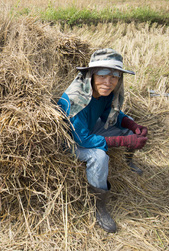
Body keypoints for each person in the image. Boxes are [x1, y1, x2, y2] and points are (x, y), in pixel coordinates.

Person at [58, 48, 148, 233]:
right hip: (70, 142)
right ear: (91, 74)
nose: (108, 82)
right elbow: (83, 140)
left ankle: (128, 161)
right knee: (99, 157)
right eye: (103, 75)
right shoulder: (74, 99)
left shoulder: (103, 93)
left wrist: (132, 126)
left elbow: (111, 113)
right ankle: (99, 207)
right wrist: (125, 142)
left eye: (114, 76)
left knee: (125, 130)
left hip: (87, 130)